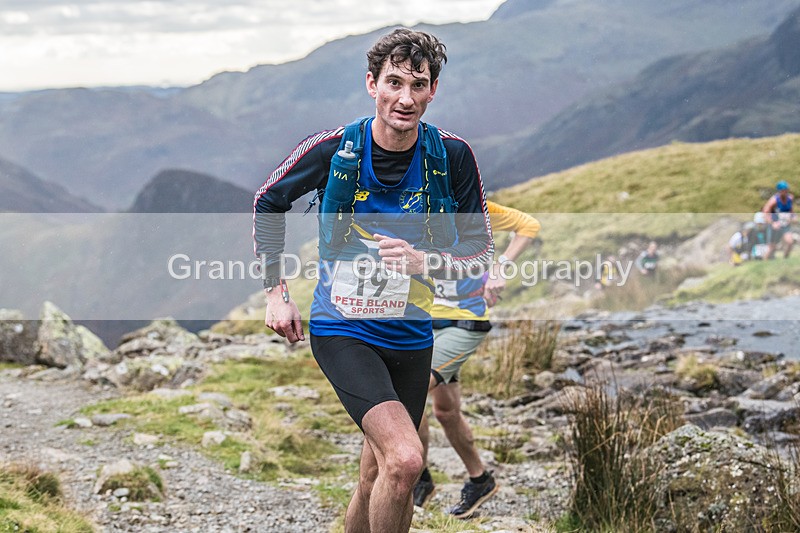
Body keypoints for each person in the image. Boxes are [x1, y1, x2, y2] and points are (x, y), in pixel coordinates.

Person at [253, 28, 493, 533]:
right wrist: (277, 294)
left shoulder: (451, 156)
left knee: (375, 476)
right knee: (406, 460)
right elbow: (268, 201)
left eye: (418, 85)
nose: (405, 98)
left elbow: (478, 252)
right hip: (345, 329)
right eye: (394, 82)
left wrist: (424, 262)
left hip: (410, 334)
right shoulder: (335, 148)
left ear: (433, 92)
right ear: (372, 84)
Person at [413, 200, 540, 518]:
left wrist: (499, 268)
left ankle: (417, 482)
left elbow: (528, 225)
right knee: (446, 411)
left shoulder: (476, 210)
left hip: (465, 321)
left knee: (408, 391)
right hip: (423, 321)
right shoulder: (416, 204)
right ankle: (480, 479)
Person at [762, 180, 795, 259]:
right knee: (771, 247)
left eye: (787, 190)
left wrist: (793, 217)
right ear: (779, 191)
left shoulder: (790, 198)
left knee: (790, 242)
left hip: (785, 225)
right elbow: (765, 212)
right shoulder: (774, 200)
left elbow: (790, 210)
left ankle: (785, 259)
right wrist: (772, 223)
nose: (786, 192)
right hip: (775, 226)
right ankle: (764, 262)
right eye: (784, 190)